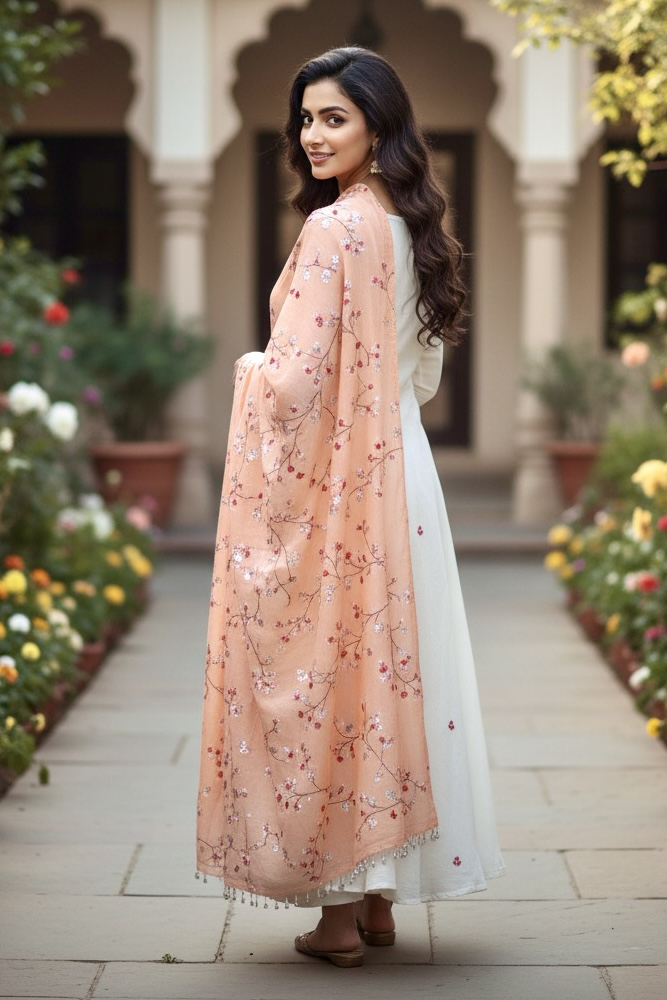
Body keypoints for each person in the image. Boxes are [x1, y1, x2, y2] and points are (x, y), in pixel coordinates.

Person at [196, 46, 505, 969]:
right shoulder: (412, 225)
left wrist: (249, 369)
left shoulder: (334, 231)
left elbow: (290, 385)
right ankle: (376, 902)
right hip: (402, 472)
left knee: (326, 677)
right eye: (305, 118)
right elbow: (421, 373)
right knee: (386, 679)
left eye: (334, 117)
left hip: (342, 481)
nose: (313, 134)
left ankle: (335, 917)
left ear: (377, 124)